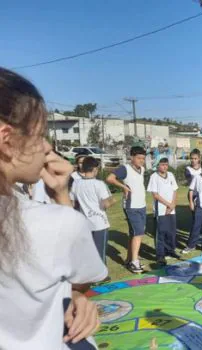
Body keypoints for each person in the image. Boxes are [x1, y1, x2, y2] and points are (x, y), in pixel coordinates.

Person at [0, 67, 106, 349]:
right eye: (39, 135)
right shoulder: (54, 224)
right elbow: (85, 279)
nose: (47, 147)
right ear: (7, 139)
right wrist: (61, 196)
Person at [71, 156, 116, 278]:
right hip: (99, 222)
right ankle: (101, 276)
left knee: (89, 251)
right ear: (95, 169)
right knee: (100, 251)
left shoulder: (76, 183)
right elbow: (105, 203)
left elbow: (72, 202)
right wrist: (113, 200)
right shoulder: (98, 184)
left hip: (85, 223)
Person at [106, 146, 147, 274]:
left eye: (143, 158)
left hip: (142, 205)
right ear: (132, 157)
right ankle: (135, 262)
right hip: (131, 206)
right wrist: (123, 187)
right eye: (139, 158)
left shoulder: (142, 169)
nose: (141, 161)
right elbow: (110, 178)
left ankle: (130, 259)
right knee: (139, 233)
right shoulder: (125, 169)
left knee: (134, 234)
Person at [147, 157, 178, 266]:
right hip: (161, 210)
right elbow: (155, 195)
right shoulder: (154, 177)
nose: (164, 166)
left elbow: (175, 190)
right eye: (162, 164)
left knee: (171, 232)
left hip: (171, 208)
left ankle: (171, 250)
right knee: (161, 233)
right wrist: (168, 204)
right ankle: (160, 255)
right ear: (157, 165)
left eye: (166, 164)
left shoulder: (171, 175)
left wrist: (173, 204)